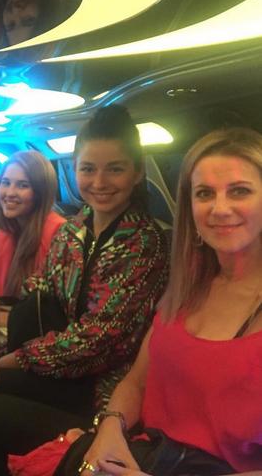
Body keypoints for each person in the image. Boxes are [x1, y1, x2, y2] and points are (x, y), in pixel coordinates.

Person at [0, 105, 170, 475]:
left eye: (115, 169)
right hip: (64, 373)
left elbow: (101, 339)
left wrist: (20, 358)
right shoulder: (72, 231)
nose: (99, 182)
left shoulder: (145, 243)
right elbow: (41, 290)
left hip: (108, 394)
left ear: (137, 172)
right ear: (74, 170)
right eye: (88, 169)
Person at [76, 126, 262, 476]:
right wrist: (110, 428)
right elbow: (137, 381)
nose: (220, 208)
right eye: (204, 193)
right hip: (148, 454)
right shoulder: (187, 287)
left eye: (239, 191)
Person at [0, 150, 66, 298]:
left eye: (22, 185)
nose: (10, 193)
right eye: (6, 183)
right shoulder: (2, 234)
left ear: (41, 192)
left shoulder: (61, 234)